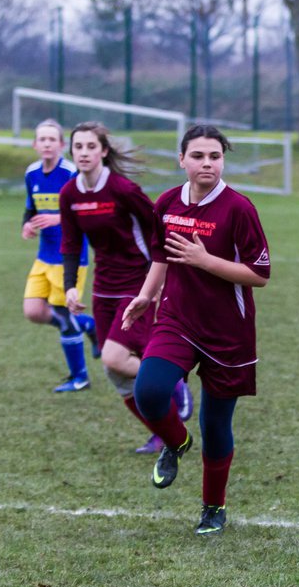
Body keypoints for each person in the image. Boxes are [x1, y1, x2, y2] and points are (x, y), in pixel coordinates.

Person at [122, 125, 271, 536]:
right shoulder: (167, 202)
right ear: (182, 160)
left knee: (215, 426)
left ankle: (213, 507)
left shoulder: (239, 208)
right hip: (176, 318)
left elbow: (259, 275)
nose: (208, 163)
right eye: (199, 156)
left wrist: (206, 261)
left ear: (223, 161)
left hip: (229, 331)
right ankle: (175, 441)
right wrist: (146, 295)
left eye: (215, 156)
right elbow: (161, 256)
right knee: (149, 392)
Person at [59, 121, 193, 454]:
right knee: (116, 374)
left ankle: (174, 384)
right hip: (103, 287)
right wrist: (71, 287)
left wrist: (162, 281)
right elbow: (72, 244)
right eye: (78, 147)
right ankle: (166, 434)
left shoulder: (122, 190)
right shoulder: (70, 194)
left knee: (115, 357)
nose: (85, 153)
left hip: (137, 284)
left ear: (104, 151)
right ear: (72, 151)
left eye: (91, 146)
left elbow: (158, 229)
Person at [21, 119, 99, 392]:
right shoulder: (32, 173)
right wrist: (27, 225)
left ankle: (80, 377)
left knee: (64, 315)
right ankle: (90, 326)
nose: (46, 144)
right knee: (33, 311)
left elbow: (85, 210)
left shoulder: (70, 173)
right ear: (35, 144)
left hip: (70, 256)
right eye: (41, 139)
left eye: (52, 139)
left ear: (62, 145)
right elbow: (31, 208)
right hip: (44, 256)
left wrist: (57, 218)